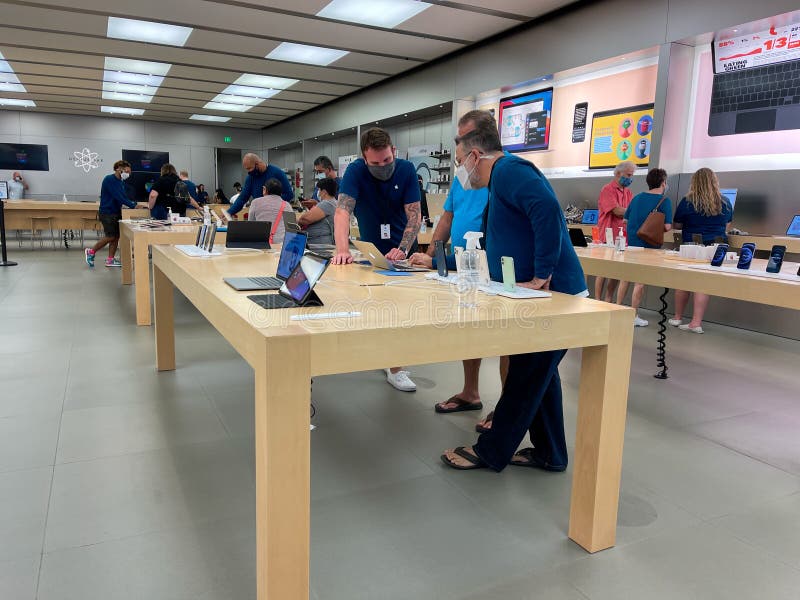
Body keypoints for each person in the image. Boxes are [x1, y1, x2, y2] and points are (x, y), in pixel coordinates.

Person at [440, 112, 588, 472]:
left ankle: (492, 450)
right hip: (537, 295)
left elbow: (547, 208)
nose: (460, 171)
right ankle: (550, 453)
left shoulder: (510, 171)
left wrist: (541, 273)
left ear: (475, 156)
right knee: (541, 374)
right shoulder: (498, 184)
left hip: (557, 294)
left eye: (460, 162)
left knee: (526, 373)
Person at [408, 110, 503, 428]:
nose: (457, 145)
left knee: (507, 336)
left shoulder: (501, 171)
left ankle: (506, 406)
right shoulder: (465, 174)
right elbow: (448, 215)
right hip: (460, 261)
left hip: (490, 262)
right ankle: (471, 391)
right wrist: (434, 252)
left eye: (462, 138)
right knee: (470, 326)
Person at [332, 127, 421, 392]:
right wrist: (342, 250)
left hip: (401, 255)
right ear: (364, 157)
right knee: (374, 307)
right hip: (370, 253)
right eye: (375, 163)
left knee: (400, 310)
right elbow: (342, 212)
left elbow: (414, 216)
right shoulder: (356, 171)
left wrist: (403, 249)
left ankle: (397, 367)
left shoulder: (406, 170)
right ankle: (383, 355)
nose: (382, 166)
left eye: (386, 160)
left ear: (393, 151)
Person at [670, 167, 732, 334]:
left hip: (692, 246)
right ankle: (696, 322)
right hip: (716, 248)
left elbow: (677, 225)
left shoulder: (687, 202)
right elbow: (727, 225)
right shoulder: (725, 202)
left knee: (683, 281)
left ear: (694, 182)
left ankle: (677, 317)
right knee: (702, 283)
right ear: (714, 181)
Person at [616, 167, 673, 327]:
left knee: (625, 278)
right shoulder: (664, 201)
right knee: (639, 282)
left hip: (632, 244)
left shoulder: (636, 198)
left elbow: (625, 220)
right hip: (649, 247)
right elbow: (668, 227)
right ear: (663, 182)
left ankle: (618, 310)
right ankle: (633, 315)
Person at [84, 160, 139, 268]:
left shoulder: (121, 182)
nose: (128, 174)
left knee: (116, 237)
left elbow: (123, 197)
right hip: (107, 213)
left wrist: (133, 203)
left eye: (129, 172)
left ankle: (110, 259)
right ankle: (91, 251)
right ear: (119, 168)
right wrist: (133, 205)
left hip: (116, 212)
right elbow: (119, 196)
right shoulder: (109, 180)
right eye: (126, 171)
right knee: (110, 236)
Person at [595, 161, 635, 302]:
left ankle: (608, 300)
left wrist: (630, 213)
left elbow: (628, 213)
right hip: (608, 236)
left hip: (623, 237)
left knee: (616, 270)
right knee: (603, 270)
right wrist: (631, 212)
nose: (630, 178)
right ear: (618, 173)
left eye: (632, 175)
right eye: (628, 175)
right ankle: (598, 301)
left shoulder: (628, 192)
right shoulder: (607, 189)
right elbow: (617, 211)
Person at [224, 154, 293, 220]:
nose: (248, 171)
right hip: (260, 216)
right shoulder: (250, 178)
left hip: (277, 215)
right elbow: (242, 198)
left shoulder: (278, 173)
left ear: (257, 163)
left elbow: (289, 195)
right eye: (246, 169)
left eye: (249, 168)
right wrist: (229, 212)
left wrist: (269, 203)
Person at [248, 178, 292, 245]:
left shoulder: (255, 202)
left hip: (261, 244)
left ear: (264, 189)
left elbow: (250, 225)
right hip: (281, 245)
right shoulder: (287, 205)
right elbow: (292, 228)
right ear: (280, 192)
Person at [298, 177, 336, 245]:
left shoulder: (327, 204)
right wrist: (315, 205)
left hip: (319, 245)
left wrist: (297, 221)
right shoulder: (333, 203)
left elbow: (305, 219)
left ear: (324, 192)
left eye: (319, 190)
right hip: (319, 242)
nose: (317, 192)